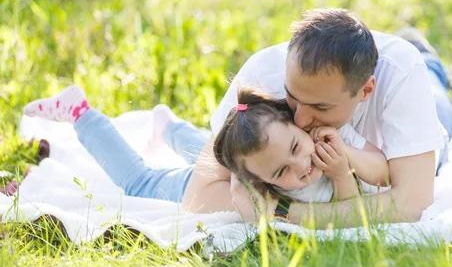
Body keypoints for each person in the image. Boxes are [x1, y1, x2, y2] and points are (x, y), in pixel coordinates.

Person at [182, 8, 452, 227]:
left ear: (365, 91)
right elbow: (199, 197)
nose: (299, 122)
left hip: (418, 113)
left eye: (320, 107)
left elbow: (412, 202)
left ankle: (430, 61)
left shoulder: (401, 72)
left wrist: (282, 212)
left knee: (438, 102)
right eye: (292, 98)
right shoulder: (261, 77)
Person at [22, 86, 390, 209]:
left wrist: (341, 170)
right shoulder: (257, 191)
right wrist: (341, 177)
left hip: (232, 160)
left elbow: (349, 214)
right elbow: (350, 216)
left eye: (297, 146)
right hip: (193, 184)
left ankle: (170, 127)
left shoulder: (315, 148)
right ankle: (80, 113)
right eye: (281, 173)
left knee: (227, 146)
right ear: (259, 182)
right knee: (139, 183)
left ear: (297, 125)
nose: (301, 166)